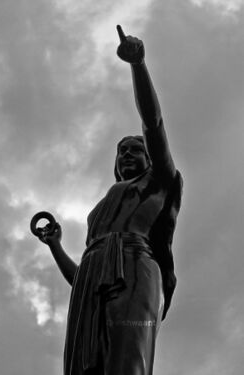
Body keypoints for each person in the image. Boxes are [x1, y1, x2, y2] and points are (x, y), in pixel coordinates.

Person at [37, 25, 183, 375]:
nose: (129, 154)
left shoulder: (160, 181)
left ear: (151, 158)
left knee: (127, 362)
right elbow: (84, 279)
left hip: (137, 268)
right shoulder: (99, 214)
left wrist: (138, 65)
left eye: (137, 149)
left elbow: (154, 122)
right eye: (122, 151)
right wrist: (56, 246)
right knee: (86, 368)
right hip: (95, 270)